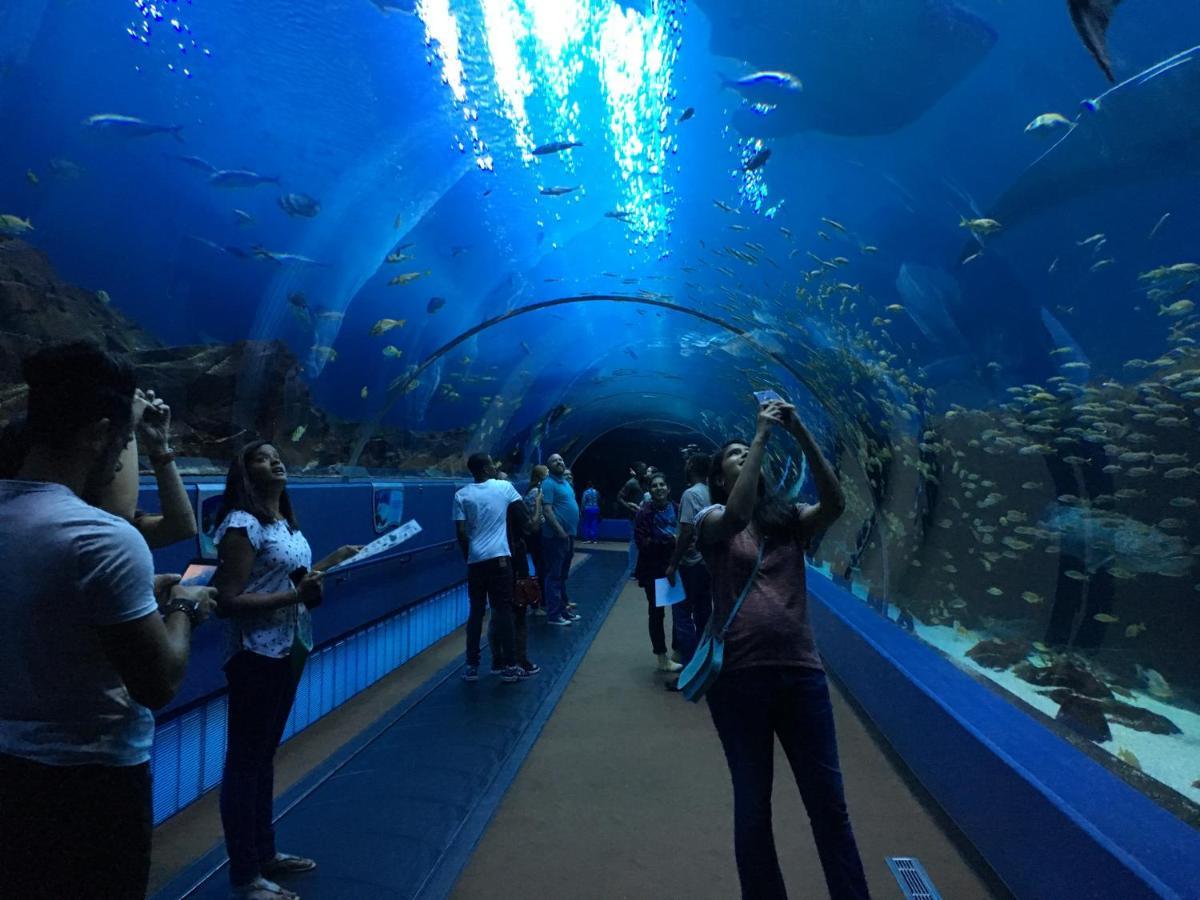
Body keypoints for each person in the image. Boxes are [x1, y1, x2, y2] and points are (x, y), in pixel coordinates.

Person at [0, 342, 217, 900]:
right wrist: (185, 609)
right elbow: (158, 682)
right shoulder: (98, 538)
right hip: (91, 780)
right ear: (97, 434)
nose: (123, 454)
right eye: (123, 443)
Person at [696, 398, 869, 900]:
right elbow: (736, 517)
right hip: (739, 679)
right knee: (754, 807)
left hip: (801, 676)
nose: (743, 455)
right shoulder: (712, 518)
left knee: (829, 805)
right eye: (732, 454)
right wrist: (759, 435)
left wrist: (800, 434)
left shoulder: (789, 517)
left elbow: (836, 506)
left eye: (742, 451)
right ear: (720, 476)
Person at [213, 440, 360, 900]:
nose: (274, 460)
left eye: (276, 455)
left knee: (263, 757)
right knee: (244, 763)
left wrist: (330, 563)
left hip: (289, 648)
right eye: (260, 457)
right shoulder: (243, 524)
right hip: (255, 653)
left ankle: (265, 853)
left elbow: (285, 579)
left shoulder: (284, 524)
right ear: (244, 471)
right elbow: (229, 600)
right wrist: (298, 597)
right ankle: (244, 872)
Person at [0, 388, 197, 549]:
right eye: (121, 445)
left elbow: (181, 527)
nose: (118, 464)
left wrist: (160, 448)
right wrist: (181, 599)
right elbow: (120, 513)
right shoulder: (69, 532)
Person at [454, 452, 531, 682]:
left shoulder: (461, 494)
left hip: (475, 561)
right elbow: (523, 517)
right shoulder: (503, 487)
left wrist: (470, 555)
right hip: (499, 559)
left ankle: (471, 665)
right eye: (492, 463)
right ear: (487, 469)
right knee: (503, 611)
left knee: (476, 612)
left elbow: (460, 532)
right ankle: (508, 665)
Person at [665, 452, 713, 666]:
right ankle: (703, 664)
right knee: (704, 614)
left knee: (682, 614)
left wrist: (673, 564)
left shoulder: (690, 494)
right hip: (708, 564)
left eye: (687, 463)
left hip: (689, 563)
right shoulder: (713, 493)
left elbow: (686, 531)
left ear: (692, 466)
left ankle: (689, 667)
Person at [634, 472, 684, 673]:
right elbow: (642, 542)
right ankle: (661, 657)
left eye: (662, 484)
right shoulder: (645, 512)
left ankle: (678, 652)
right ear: (650, 490)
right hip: (654, 570)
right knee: (657, 613)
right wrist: (669, 542)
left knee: (679, 611)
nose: (659, 488)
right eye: (654, 485)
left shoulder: (677, 508)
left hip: (676, 566)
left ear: (668, 488)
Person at [540, 452, 581, 626]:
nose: (559, 462)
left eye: (560, 459)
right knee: (554, 576)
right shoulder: (548, 484)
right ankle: (554, 614)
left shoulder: (565, 483)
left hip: (568, 536)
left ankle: (563, 609)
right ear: (548, 466)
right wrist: (559, 530)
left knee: (563, 576)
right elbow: (547, 510)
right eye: (554, 460)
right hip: (556, 537)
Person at [524, 464, 548, 616]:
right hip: (536, 534)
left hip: (537, 534)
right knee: (540, 568)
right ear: (540, 477)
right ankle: (537, 603)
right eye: (546, 473)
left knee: (541, 567)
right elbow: (535, 519)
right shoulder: (535, 492)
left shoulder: (536, 491)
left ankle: (541, 601)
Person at [618, 461, 649, 572]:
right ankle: (633, 569)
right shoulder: (631, 483)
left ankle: (641, 567)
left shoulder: (645, 482)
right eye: (643, 468)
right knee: (635, 542)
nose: (645, 470)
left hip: (646, 516)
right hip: (635, 517)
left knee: (644, 541)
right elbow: (620, 497)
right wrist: (629, 507)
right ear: (638, 470)